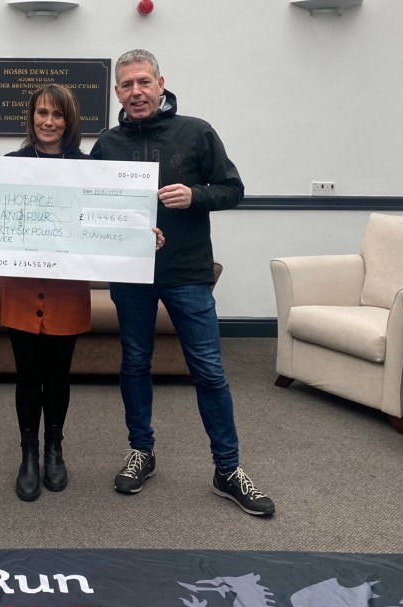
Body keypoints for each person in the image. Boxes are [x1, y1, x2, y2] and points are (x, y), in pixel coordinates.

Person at [90, 49, 275, 517]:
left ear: (160, 84)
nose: (136, 92)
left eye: (143, 82)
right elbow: (91, 206)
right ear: (117, 92)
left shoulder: (197, 132)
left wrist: (196, 195)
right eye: (127, 85)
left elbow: (233, 190)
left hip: (188, 273)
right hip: (131, 274)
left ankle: (227, 469)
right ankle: (141, 451)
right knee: (135, 363)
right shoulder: (107, 144)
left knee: (209, 371)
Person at [0, 84, 166, 503]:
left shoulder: (90, 168)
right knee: (27, 374)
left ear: (69, 121)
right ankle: (28, 455)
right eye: (42, 113)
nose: (49, 122)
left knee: (58, 373)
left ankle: (54, 449)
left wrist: (143, 235)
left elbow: (112, 214)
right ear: (31, 117)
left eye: (58, 115)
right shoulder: (9, 165)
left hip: (66, 288)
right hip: (20, 286)